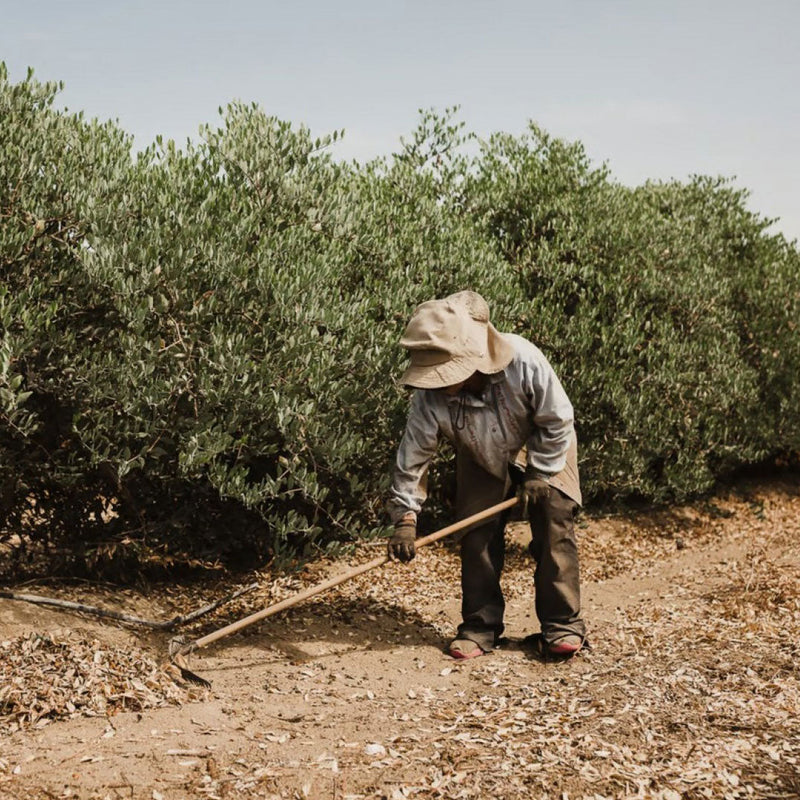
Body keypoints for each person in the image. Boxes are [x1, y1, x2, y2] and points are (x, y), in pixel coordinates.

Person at [386, 290, 586, 660]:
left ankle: (562, 624)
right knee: (476, 534)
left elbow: (557, 419)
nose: (435, 380)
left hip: (544, 444)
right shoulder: (429, 400)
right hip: (479, 453)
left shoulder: (523, 358)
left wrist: (540, 473)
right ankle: (480, 626)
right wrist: (405, 518)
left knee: (554, 521)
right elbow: (413, 458)